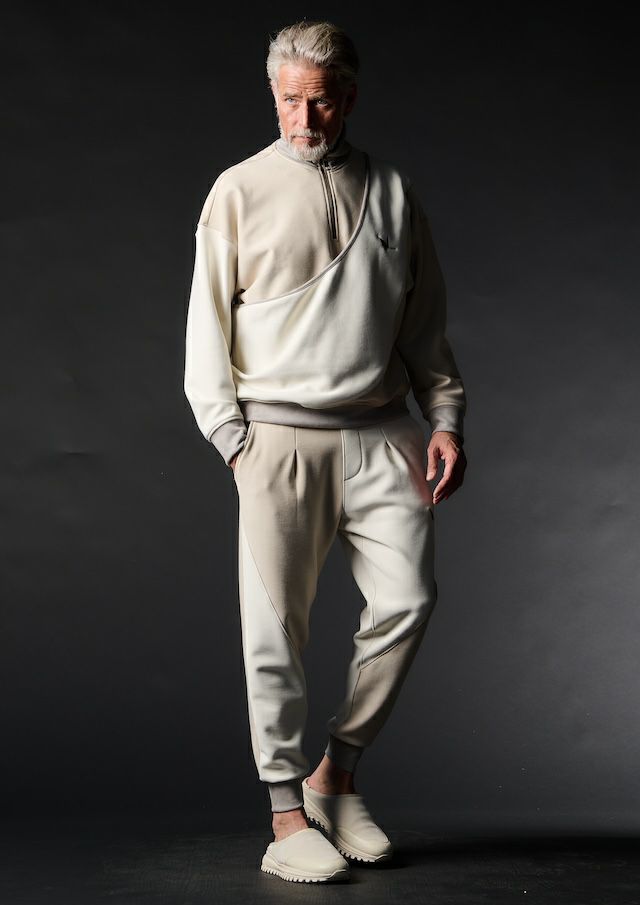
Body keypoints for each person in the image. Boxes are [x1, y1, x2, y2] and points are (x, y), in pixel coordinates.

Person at [183, 19, 468, 884]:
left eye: (320, 102)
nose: (303, 120)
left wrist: (445, 418)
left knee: (407, 600)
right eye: (288, 101)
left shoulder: (393, 192)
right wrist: (235, 440)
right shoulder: (237, 190)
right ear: (272, 97)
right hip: (278, 438)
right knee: (275, 630)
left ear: (348, 97)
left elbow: (424, 328)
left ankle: (335, 775)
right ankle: (284, 813)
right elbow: (206, 330)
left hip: (386, 432)